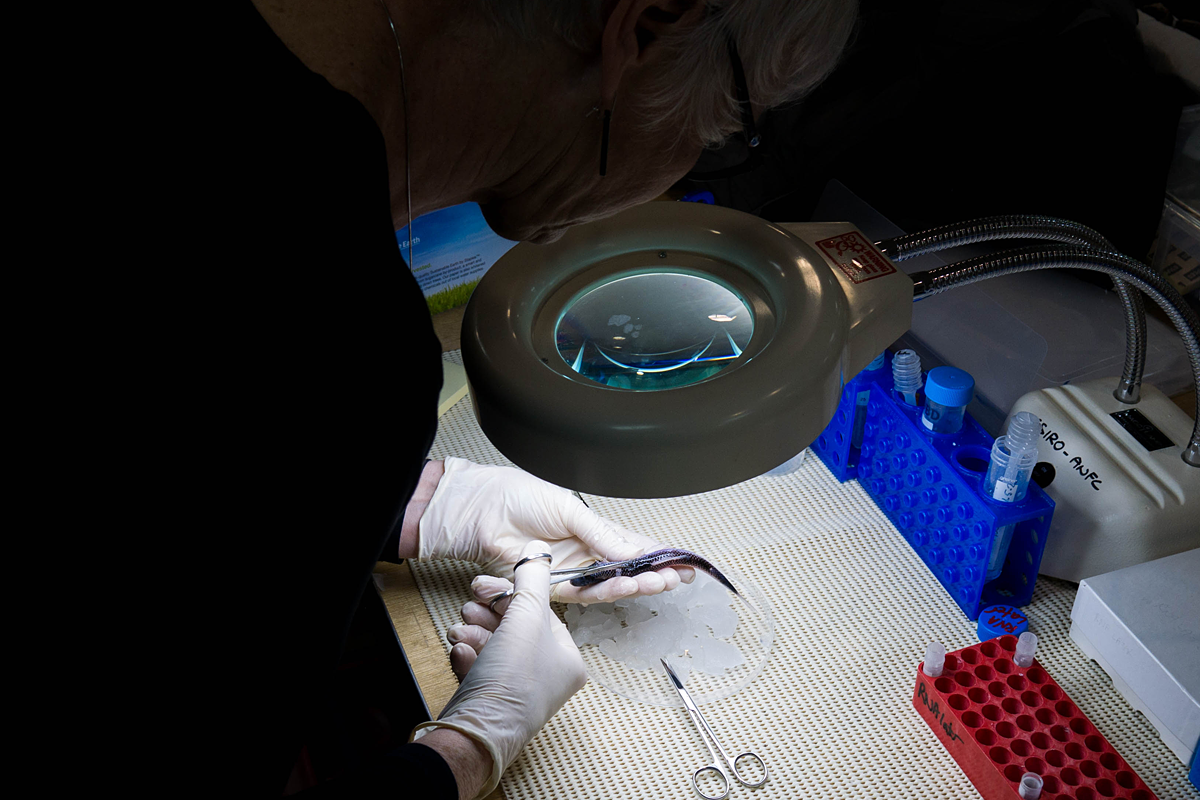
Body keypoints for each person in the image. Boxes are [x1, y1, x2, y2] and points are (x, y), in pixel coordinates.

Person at [197, 1, 856, 797]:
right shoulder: (337, 325)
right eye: (721, 135)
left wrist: (419, 500)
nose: (684, 172)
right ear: (642, 35)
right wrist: (470, 747)